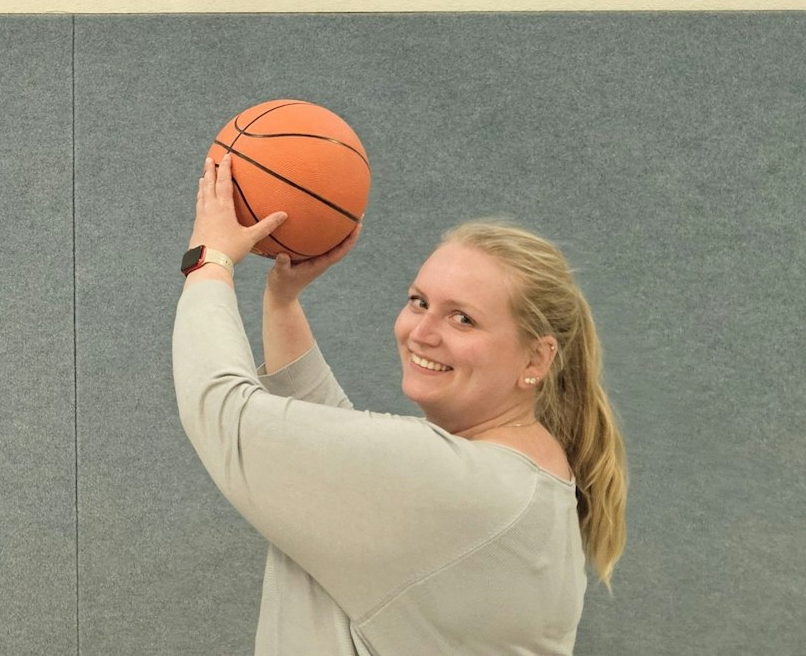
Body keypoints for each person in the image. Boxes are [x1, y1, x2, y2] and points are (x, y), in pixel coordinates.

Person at [174, 155, 627, 655]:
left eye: (463, 319)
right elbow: (340, 457)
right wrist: (283, 302)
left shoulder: (461, 483)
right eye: (419, 302)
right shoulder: (517, 478)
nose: (423, 333)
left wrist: (209, 260)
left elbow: (223, 413)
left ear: (537, 358)